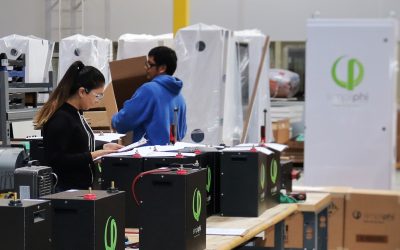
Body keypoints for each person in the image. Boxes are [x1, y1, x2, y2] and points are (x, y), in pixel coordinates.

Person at [34, 61, 123, 191]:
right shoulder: (61, 119)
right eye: (97, 95)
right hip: (66, 191)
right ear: (82, 92)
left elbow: (77, 148)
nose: (97, 100)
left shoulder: (76, 113)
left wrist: (102, 147)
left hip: (81, 188)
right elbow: (56, 160)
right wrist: (93, 155)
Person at [112, 46, 187, 146]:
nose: (145, 68)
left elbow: (125, 120)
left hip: (148, 156)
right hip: (171, 155)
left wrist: (114, 121)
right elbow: (181, 132)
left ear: (162, 68)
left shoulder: (149, 90)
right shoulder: (179, 96)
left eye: (149, 64)